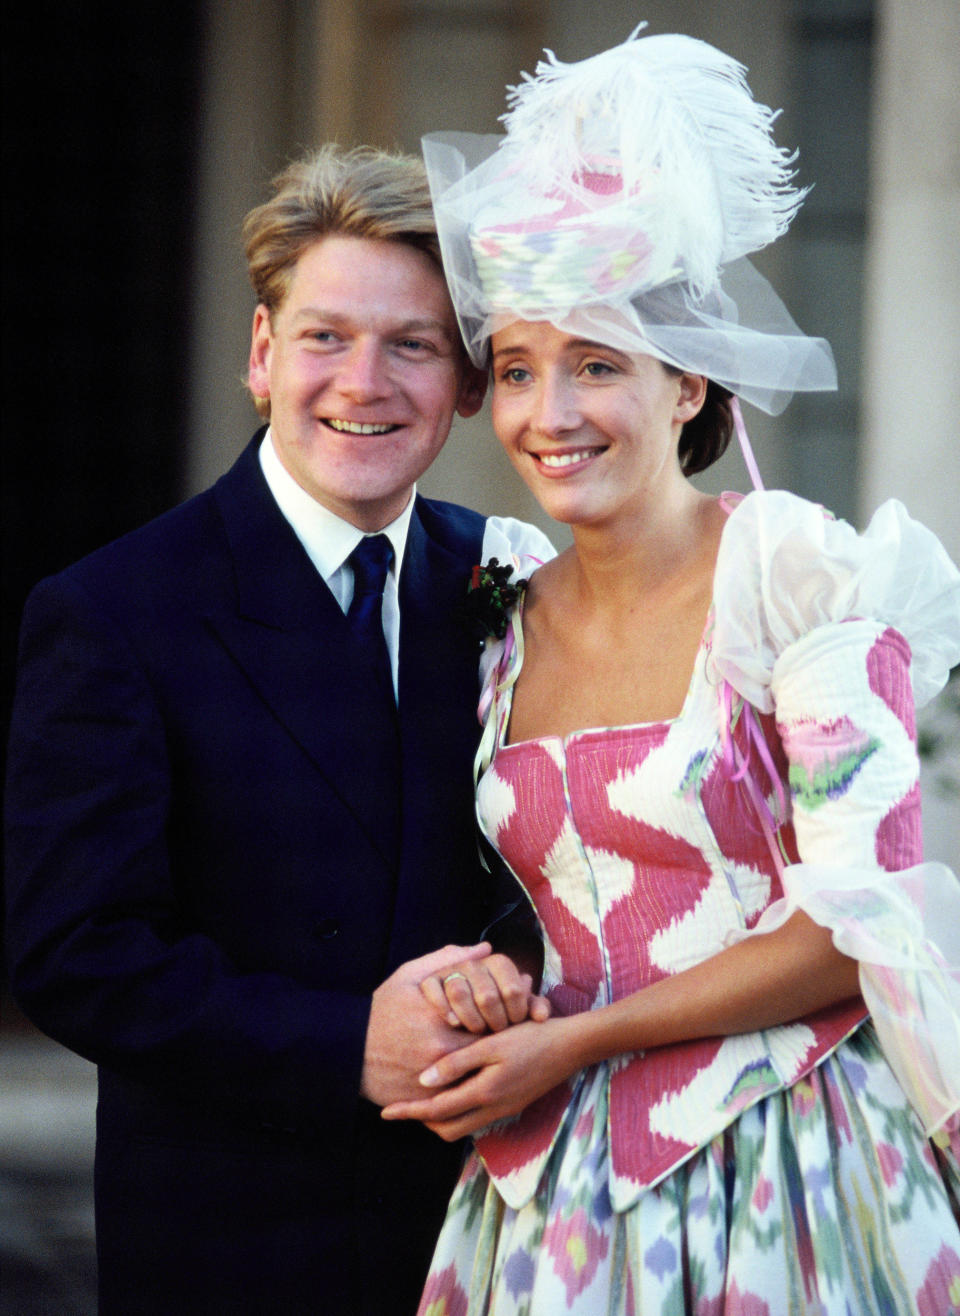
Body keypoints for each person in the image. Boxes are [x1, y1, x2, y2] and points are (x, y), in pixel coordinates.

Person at [379, 30, 960, 1314]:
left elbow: (851, 924)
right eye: (520, 369)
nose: (552, 412)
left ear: (687, 378)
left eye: (597, 364)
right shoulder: (499, 609)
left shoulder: (799, 574)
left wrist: (569, 1043)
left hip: (790, 1158)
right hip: (548, 1194)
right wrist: (490, 989)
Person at [3, 144, 554, 1315]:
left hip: (500, 1225)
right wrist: (347, 1040)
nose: (365, 381)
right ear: (263, 353)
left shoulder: (514, 579)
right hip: (240, 1240)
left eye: (412, 343)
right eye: (325, 336)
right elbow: (76, 950)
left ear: (465, 379)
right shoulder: (113, 611)